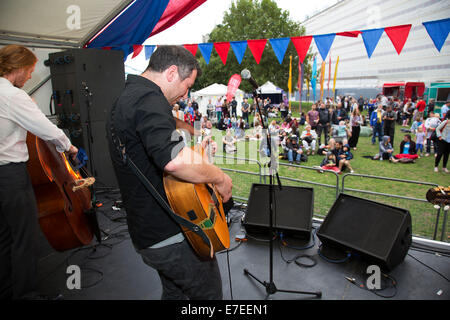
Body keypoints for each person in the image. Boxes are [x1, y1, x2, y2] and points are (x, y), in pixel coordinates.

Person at [106, 45, 233, 300]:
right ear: (172, 73)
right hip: (169, 234)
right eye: (187, 86)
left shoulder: (130, 96)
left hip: (146, 231)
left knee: (175, 293)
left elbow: (157, 127)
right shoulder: (148, 99)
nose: (186, 95)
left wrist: (192, 131)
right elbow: (174, 161)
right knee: (207, 295)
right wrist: (220, 178)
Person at [0, 45, 78, 300]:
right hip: (10, 175)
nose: (31, 76)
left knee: (4, 237)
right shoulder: (12, 95)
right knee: (25, 238)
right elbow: (45, 128)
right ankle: (27, 295)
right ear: (19, 67)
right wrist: (69, 145)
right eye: (30, 71)